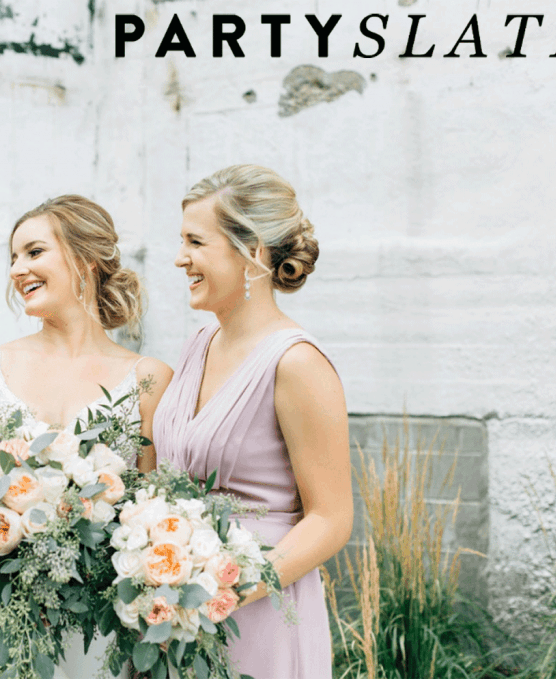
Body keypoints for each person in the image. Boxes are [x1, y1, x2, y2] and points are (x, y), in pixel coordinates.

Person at [0, 195, 173, 679]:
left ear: (86, 258)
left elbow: (152, 516)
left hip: (95, 628)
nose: (18, 269)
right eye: (13, 258)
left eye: (34, 252)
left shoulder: (150, 378)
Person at [152, 165, 352, 679]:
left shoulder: (297, 363)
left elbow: (330, 519)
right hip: (176, 609)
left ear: (253, 252)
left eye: (196, 242)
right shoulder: (198, 345)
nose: (180, 259)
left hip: (260, 616)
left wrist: (227, 589)